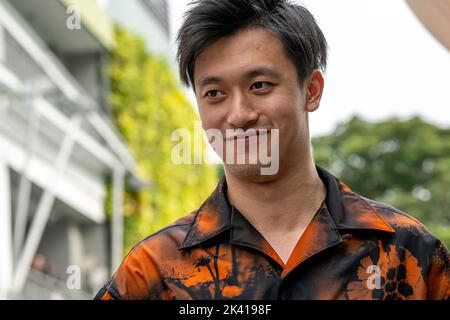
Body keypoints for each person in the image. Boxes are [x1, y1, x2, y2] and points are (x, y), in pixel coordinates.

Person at [95, 0, 449, 300]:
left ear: (311, 90)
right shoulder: (154, 269)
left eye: (260, 85)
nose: (239, 115)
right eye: (214, 93)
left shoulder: (410, 256)